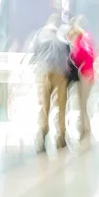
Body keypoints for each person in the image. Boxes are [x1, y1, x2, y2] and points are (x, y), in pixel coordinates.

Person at [31, 14, 70, 152]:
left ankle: (43, 135)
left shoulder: (40, 34)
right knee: (61, 106)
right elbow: (68, 53)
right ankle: (61, 137)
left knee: (44, 106)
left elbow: (34, 53)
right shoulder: (62, 35)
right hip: (60, 74)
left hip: (45, 73)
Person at [68, 23, 96, 141]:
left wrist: (76, 59)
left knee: (83, 104)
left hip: (85, 75)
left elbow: (84, 55)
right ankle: (85, 127)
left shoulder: (81, 43)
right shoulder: (86, 40)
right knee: (83, 103)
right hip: (89, 75)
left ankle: (85, 128)